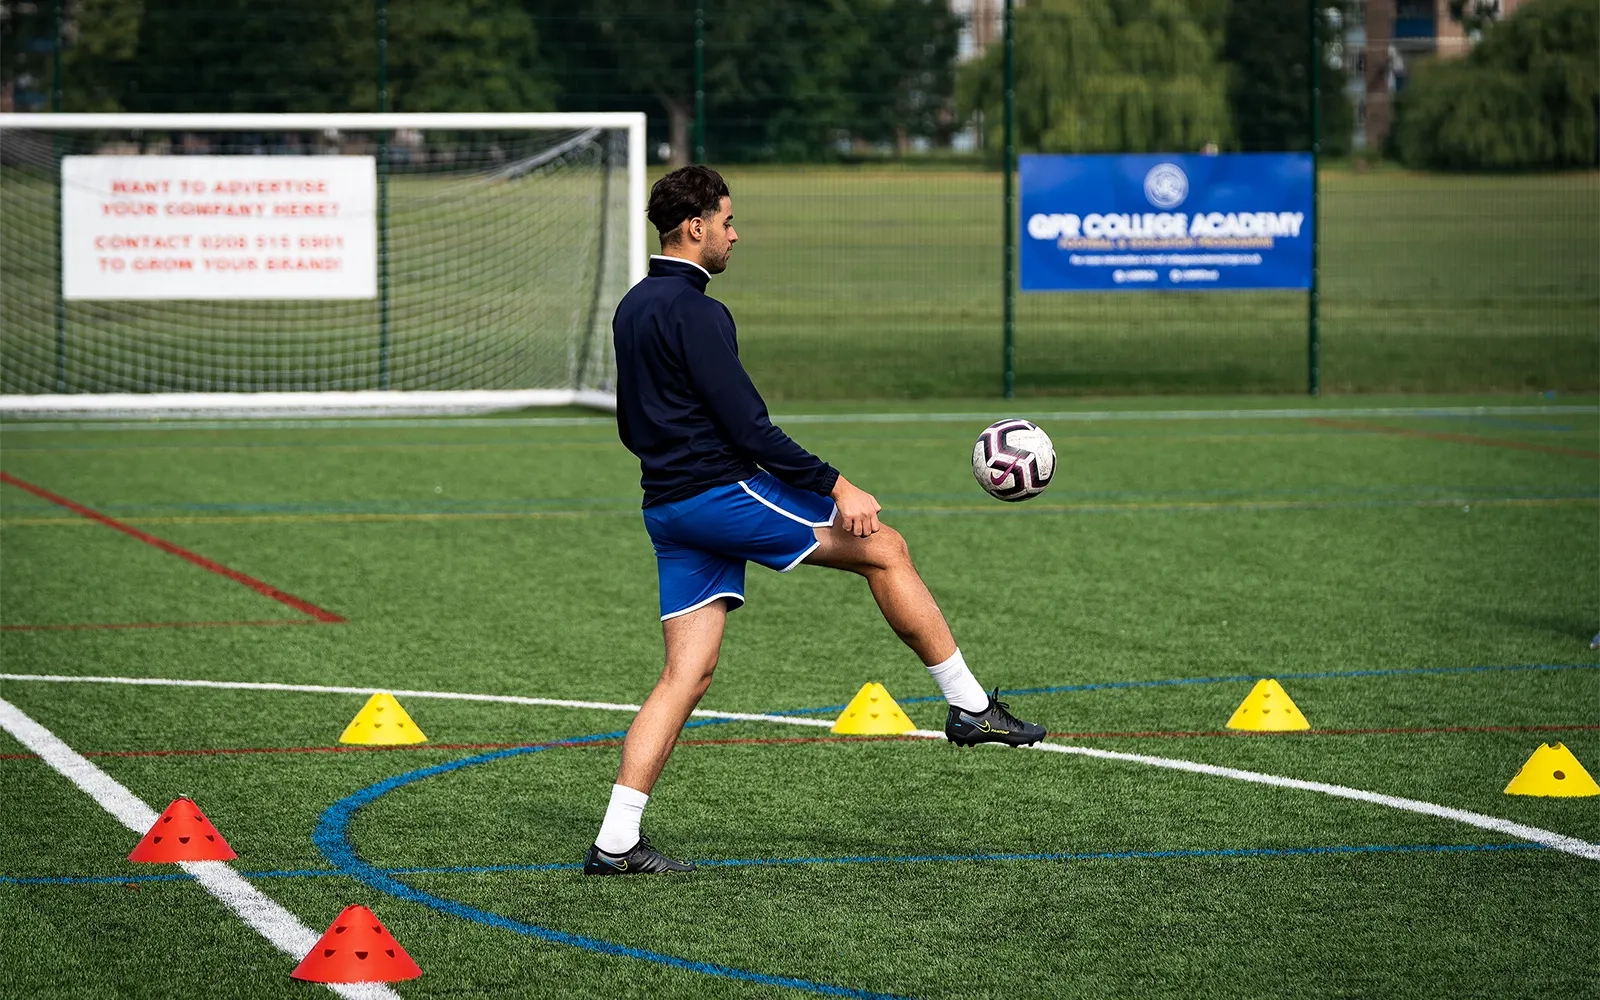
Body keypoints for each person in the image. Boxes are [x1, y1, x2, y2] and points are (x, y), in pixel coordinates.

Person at [584, 166, 1045, 876]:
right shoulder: (699, 311)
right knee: (884, 547)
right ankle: (971, 706)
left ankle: (615, 842)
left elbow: (630, 426)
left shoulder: (632, 306)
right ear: (696, 227)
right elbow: (750, 427)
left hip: (667, 508)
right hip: (719, 496)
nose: (736, 235)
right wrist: (839, 486)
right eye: (728, 222)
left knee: (687, 676)